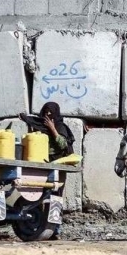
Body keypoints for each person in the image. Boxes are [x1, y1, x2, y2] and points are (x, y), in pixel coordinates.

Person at [19, 101, 75, 240]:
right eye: (46, 113)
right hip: (41, 167)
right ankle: (37, 227)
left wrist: (52, 129)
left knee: (55, 198)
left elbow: (63, 145)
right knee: (38, 197)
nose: (48, 116)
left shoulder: (61, 127)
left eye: (51, 113)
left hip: (57, 168)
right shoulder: (40, 126)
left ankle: (55, 230)